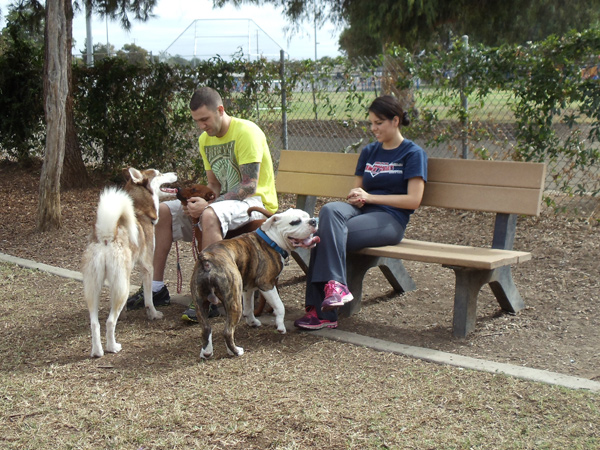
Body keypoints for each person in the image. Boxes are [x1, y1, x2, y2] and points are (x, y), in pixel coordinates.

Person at [126, 86, 278, 322]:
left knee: (209, 215)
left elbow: (249, 186)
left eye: (205, 119)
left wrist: (207, 207)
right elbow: (213, 185)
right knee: (164, 211)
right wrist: (197, 201)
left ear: (220, 110)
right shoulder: (205, 140)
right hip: (224, 205)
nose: (201, 126)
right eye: (197, 121)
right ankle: (156, 289)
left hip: (255, 203)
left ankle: (211, 296)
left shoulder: (247, 132)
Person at [294, 95, 427, 330]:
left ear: (395, 121)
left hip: (390, 219)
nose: (373, 128)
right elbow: (358, 189)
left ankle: (321, 313)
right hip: (362, 212)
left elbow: (413, 200)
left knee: (324, 235)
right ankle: (335, 287)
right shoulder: (370, 151)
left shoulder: (412, 153)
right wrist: (357, 195)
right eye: (371, 123)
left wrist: (371, 197)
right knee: (330, 210)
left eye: (379, 123)